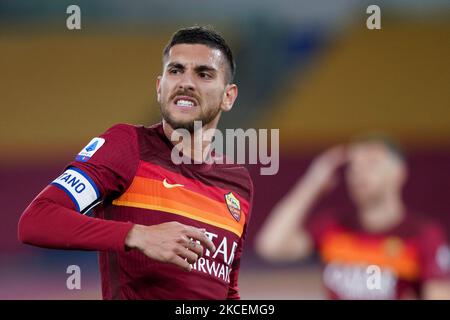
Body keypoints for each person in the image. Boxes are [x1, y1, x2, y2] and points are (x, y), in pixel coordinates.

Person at [18, 26, 254, 300]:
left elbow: (228, 293)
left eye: (203, 74)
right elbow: (37, 220)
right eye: (175, 70)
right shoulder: (127, 146)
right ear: (159, 86)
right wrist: (139, 235)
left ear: (229, 96)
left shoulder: (238, 184)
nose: (185, 82)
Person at [256, 137, 450, 299]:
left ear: (398, 172)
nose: (359, 172)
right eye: (354, 166)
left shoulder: (423, 235)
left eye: (372, 163)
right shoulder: (333, 226)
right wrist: (312, 183)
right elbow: (271, 245)